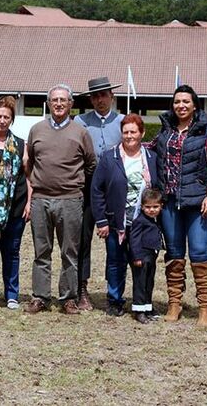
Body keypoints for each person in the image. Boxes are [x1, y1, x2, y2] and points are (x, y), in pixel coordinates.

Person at [149, 84, 207, 328]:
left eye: (186, 102)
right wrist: (126, 147)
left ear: (194, 105)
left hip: (198, 202)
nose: (181, 105)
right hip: (169, 202)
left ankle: (205, 308)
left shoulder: (205, 132)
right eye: (177, 101)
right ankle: (174, 303)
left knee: (199, 252)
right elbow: (150, 149)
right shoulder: (165, 131)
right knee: (174, 253)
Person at [25, 84, 96, 315]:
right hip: (41, 199)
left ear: (70, 104)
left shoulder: (80, 132)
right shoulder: (36, 130)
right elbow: (31, 161)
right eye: (54, 100)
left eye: (62, 100)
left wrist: (72, 182)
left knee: (70, 252)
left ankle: (69, 298)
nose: (58, 104)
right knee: (41, 252)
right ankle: (40, 297)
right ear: (48, 103)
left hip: (70, 200)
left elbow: (91, 164)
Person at [90, 113, 160, 320]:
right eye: (126, 132)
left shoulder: (151, 158)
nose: (129, 136)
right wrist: (101, 220)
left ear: (142, 133)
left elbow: (158, 188)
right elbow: (97, 190)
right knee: (115, 262)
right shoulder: (109, 158)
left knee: (143, 264)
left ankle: (143, 303)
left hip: (143, 223)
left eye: (133, 132)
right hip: (116, 221)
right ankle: (114, 300)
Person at [75, 76, 125, 313]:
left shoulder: (122, 122)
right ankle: (81, 289)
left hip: (114, 189)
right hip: (86, 187)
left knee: (115, 242)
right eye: (95, 96)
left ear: (111, 96)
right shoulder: (80, 122)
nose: (100, 100)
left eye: (104, 95)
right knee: (82, 240)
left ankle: (113, 291)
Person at [0, 96, 31, 311]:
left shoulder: (20, 144)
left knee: (12, 252)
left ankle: (12, 294)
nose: (2, 120)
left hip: (16, 207)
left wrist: (29, 203)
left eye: (6, 117)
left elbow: (28, 176)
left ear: (12, 119)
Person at [127, 189, 165, 324]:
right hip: (141, 257)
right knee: (140, 283)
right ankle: (139, 310)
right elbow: (134, 239)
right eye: (148, 207)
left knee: (149, 282)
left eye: (155, 207)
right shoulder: (139, 221)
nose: (152, 210)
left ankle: (148, 308)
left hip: (151, 257)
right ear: (142, 207)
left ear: (161, 206)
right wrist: (136, 257)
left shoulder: (156, 220)